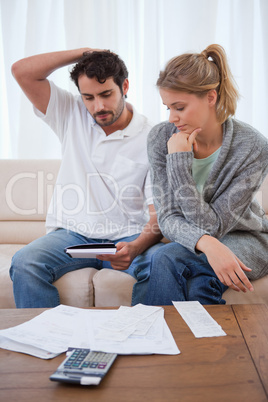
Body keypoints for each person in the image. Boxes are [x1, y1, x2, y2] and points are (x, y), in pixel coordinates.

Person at [10, 48, 163, 308]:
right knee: (25, 262)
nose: (98, 106)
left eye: (106, 94)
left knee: (163, 265)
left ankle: (141, 337)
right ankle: (48, 341)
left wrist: (136, 247)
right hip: (73, 237)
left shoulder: (152, 138)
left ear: (124, 86)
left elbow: (157, 214)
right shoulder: (71, 114)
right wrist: (85, 53)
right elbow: (22, 72)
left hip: (127, 237)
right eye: (88, 97)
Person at [145, 44, 268, 305]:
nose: (171, 118)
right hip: (195, 242)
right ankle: (203, 345)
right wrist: (209, 245)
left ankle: (151, 337)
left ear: (210, 97)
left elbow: (213, 225)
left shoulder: (253, 146)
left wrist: (178, 163)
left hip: (245, 238)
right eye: (167, 107)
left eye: (179, 107)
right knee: (174, 264)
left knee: (168, 260)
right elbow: (167, 217)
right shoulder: (160, 138)